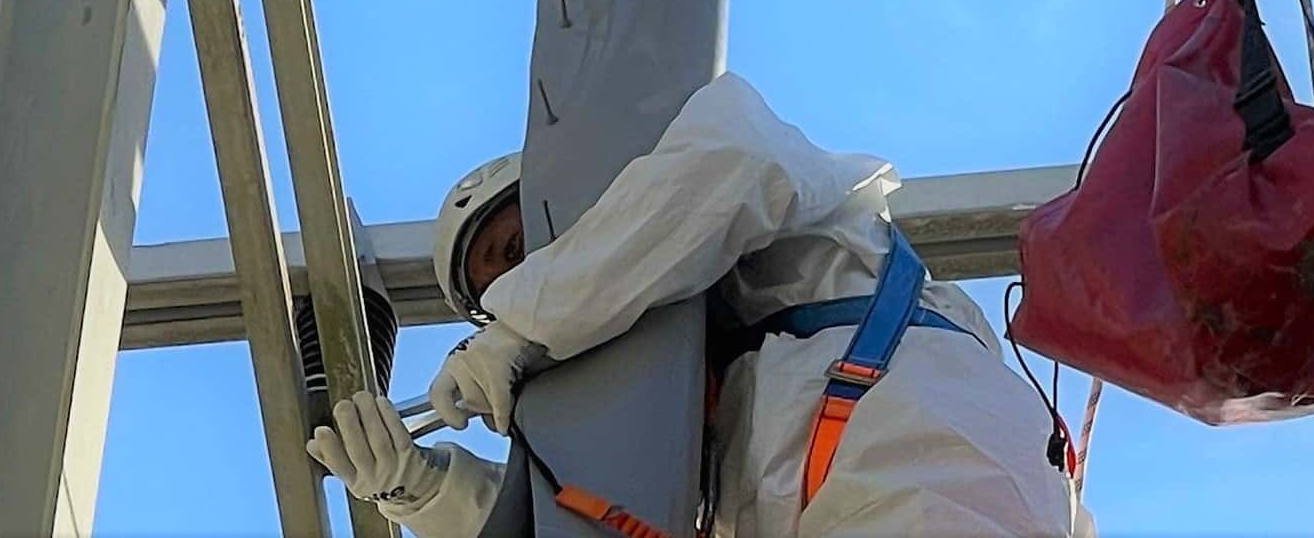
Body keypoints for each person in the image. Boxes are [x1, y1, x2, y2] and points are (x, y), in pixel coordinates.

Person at [307, 73, 1093, 537]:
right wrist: (426, 489)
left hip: (922, 472)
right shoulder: (679, 402)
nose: (528, 281)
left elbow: (728, 169)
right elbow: (587, 512)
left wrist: (521, 331)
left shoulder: (745, 195)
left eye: (522, 249)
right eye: (498, 291)